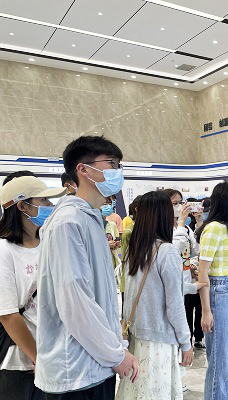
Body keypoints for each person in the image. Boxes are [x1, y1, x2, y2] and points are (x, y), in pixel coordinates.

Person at [36, 136, 138, 398]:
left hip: (96, 364)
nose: (118, 171)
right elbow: (75, 302)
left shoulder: (90, 218)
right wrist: (115, 354)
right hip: (75, 370)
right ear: (83, 169)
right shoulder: (68, 222)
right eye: (111, 163)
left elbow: (99, 297)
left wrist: (114, 348)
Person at [116, 191, 198, 400]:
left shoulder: (135, 249)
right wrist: (186, 343)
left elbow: (148, 291)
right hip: (159, 341)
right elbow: (174, 305)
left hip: (135, 337)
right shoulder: (166, 251)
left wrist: (192, 287)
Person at [0, 176, 66, 400]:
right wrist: (37, 357)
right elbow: (8, 314)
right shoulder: (4, 250)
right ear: (22, 206)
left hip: (53, 355)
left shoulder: (47, 243)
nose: (50, 205)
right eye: (44, 200)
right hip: (19, 362)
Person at [196, 182, 228, 399]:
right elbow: (203, 272)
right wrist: (206, 311)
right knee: (220, 359)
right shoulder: (213, 229)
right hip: (219, 291)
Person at [164, 189, 203, 351]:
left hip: (187, 280)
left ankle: (189, 343)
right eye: (175, 203)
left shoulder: (186, 228)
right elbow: (174, 250)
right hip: (171, 281)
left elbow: (197, 249)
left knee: (187, 314)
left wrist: (199, 223)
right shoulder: (163, 229)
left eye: (181, 203)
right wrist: (180, 223)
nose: (180, 207)